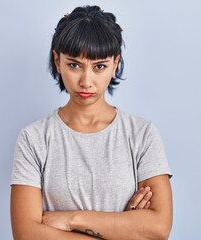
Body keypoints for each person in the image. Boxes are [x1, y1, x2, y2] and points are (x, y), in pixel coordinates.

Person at [10, 5, 173, 240]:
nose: (86, 81)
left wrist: (71, 219)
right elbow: (26, 234)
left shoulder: (142, 134)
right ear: (58, 61)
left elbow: (159, 228)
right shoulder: (34, 138)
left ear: (115, 64)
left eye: (100, 66)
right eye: (74, 65)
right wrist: (124, 228)